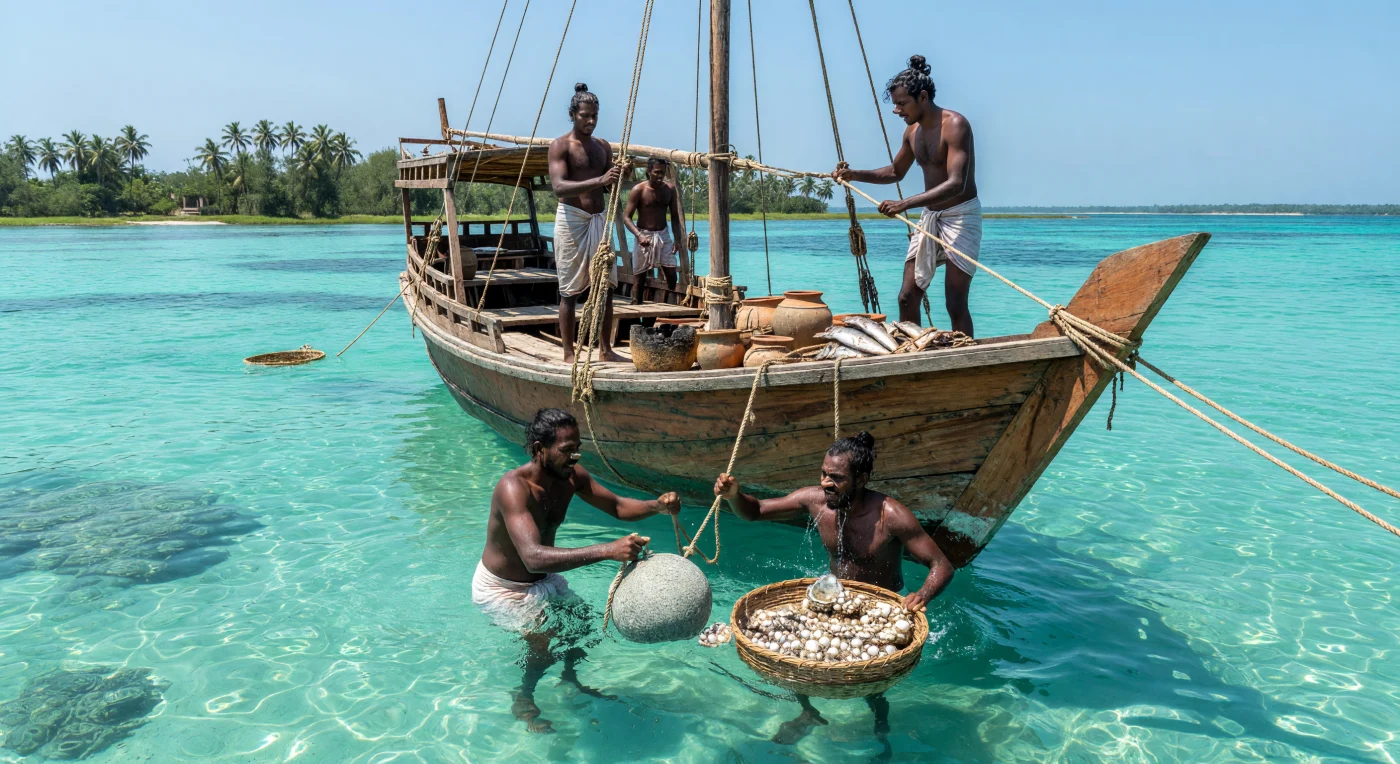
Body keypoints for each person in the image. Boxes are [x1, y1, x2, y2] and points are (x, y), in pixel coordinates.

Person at [713, 431, 954, 749]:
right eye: (824, 474)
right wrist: (733, 495)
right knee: (797, 659)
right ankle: (808, 712)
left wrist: (922, 595)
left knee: (873, 682)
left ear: (861, 479)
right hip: (830, 600)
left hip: (878, 612)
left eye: (836, 477)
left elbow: (942, 565)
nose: (826, 482)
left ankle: (881, 728)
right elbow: (754, 511)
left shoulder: (890, 515)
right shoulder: (815, 501)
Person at [474, 408, 681, 733]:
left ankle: (570, 679)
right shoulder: (513, 488)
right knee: (543, 643)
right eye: (566, 449)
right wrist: (608, 550)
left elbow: (615, 506)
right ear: (540, 448)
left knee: (582, 626)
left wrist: (656, 506)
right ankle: (524, 696)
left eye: (577, 447)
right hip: (505, 587)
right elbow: (532, 557)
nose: (575, 455)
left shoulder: (571, 477)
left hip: (543, 575)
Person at [833, 54, 981, 337]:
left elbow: (956, 183)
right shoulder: (912, 133)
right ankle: (913, 352)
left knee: (955, 302)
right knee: (907, 297)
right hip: (931, 216)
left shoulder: (955, 125)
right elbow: (894, 171)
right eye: (895, 104)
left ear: (922, 97)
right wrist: (854, 174)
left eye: (902, 104)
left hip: (961, 216)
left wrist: (904, 204)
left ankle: (966, 355)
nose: (897, 111)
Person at [548, 83, 624, 363]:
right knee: (569, 291)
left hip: (599, 221)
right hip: (572, 221)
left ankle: (606, 350)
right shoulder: (560, 146)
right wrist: (601, 180)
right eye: (584, 116)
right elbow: (559, 187)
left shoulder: (603, 146)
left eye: (594, 116)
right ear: (573, 114)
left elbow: (609, 186)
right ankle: (569, 353)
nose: (590, 121)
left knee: (604, 287)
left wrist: (618, 176)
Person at [622, 157, 685, 303]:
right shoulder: (639, 190)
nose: (660, 176)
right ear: (648, 171)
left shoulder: (669, 189)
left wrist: (677, 239)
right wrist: (638, 235)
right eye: (656, 172)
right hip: (644, 234)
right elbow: (627, 218)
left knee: (671, 273)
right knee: (640, 276)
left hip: (663, 234)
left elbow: (675, 217)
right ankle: (636, 305)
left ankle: (668, 305)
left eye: (662, 172)